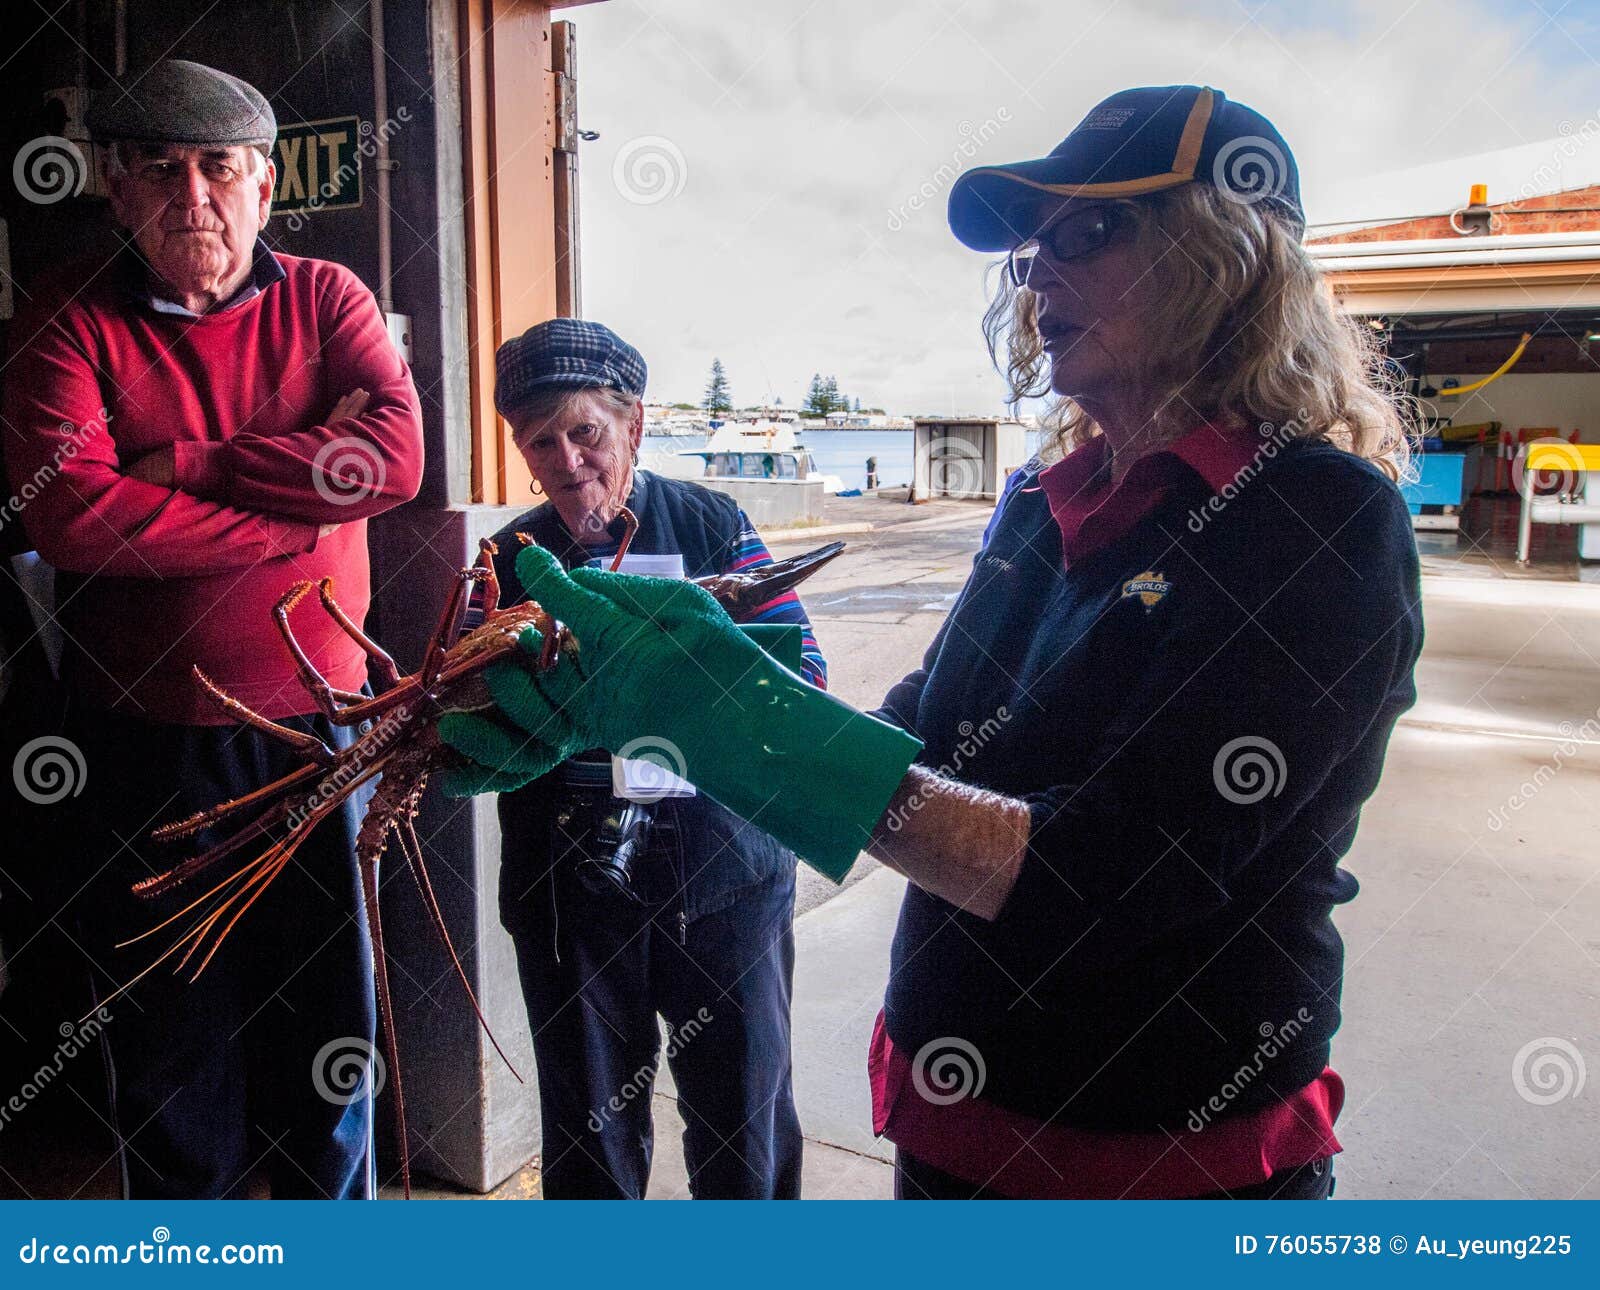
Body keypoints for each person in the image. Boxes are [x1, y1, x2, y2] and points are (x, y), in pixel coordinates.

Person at [441, 84, 1422, 1200]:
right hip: (950, 1128)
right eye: (1031, 250)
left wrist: (735, 725)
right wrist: (645, 711)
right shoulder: (1041, 502)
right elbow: (926, 722)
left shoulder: (1314, 520)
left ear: (1228, 255)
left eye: (1087, 233)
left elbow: (1109, 875)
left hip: (1165, 1166)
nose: (1039, 272)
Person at [2, 59, 424, 1197]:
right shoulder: (61, 314)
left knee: (331, 1019)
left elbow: (388, 459)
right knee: (169, 1031)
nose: (195, 193)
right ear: (114, 183)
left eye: (219, 167)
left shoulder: (328, 299)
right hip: (144, 744)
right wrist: (291, 526)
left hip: (323, 731)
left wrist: (185, 468)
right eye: (161, 167)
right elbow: (71, 514)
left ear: (264, 181)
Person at [444, 319, 822, 1199]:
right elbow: (463, 708)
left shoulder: (712, 520)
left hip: (725, 866)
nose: (569, 460)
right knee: (589, 1138)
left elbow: (805, 670)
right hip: (569, 881)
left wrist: (683, 686)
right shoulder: (505, 558)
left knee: (747, 1119)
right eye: (543, 441)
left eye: (588, 432)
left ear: (635, 426)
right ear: (522, 453)